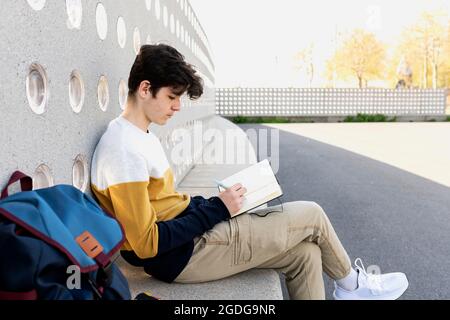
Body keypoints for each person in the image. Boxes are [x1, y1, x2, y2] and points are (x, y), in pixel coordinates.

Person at [90, 44, 409, 300]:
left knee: (306, 254)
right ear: (145, 89)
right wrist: (217, 209)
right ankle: (353, 287)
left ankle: (351, 289)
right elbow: (145, 244)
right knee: (312, 214)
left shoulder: (138, 135)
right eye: (172, 97)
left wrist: (213, 203)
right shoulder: (123, 150)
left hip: (193, 237)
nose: (177, 107)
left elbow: (165, 204)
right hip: (184, 254)